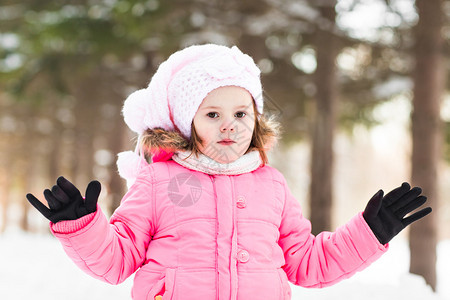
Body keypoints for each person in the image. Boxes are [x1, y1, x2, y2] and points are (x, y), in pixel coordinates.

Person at [26, 44, 432, 300]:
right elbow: (118, 260)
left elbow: (306, 263)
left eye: (241, 113)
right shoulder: (159, 181)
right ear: (187, 124)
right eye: (213, 114)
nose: (230, 125)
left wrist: (369, 233)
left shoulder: (270, 184)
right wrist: (82, 227)